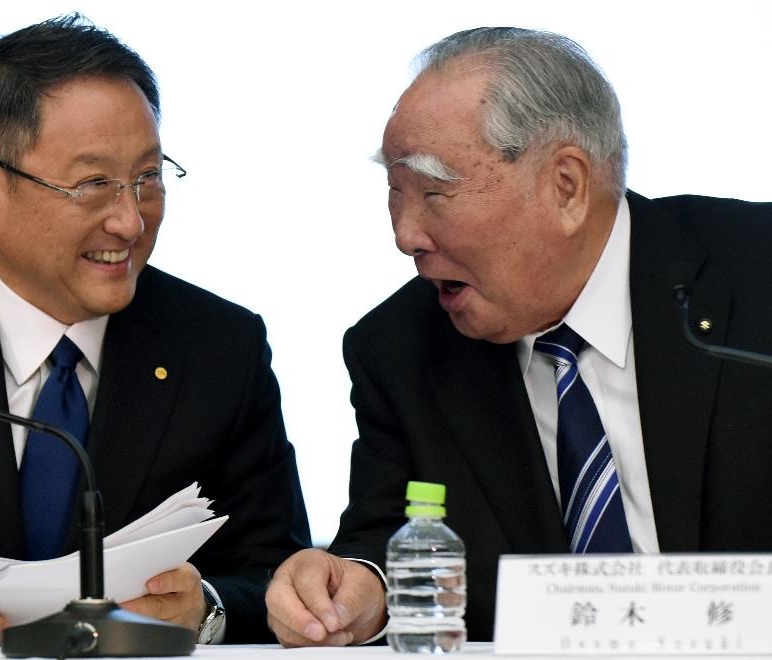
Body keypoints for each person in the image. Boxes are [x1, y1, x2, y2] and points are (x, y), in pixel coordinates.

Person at [0, 14, 310, 649]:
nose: (130, 222)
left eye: (148, 178)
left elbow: (279, 576)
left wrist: (206, 608)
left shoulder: (218, 346)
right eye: (93, 185)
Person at [265, 26, 772, 646]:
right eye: (395, 195)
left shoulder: (756, 272)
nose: (406, 235)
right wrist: (358, 590)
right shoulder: (400, 349)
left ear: (566, 185)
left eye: (434, 192)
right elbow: (384, 538)